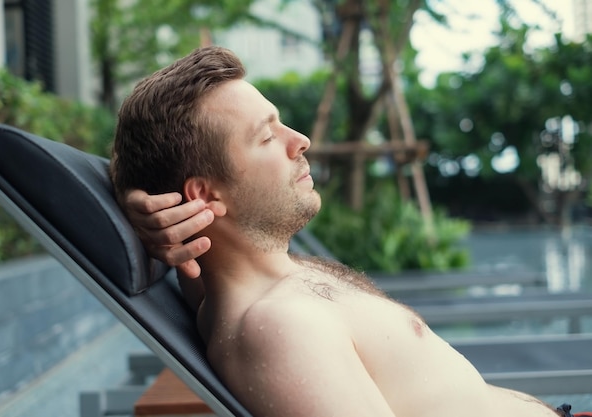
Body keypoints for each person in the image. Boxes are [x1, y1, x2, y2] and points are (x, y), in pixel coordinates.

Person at [111, 45, 575, 417]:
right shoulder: (275, 329)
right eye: (268, 137)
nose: (301, 141)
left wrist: (131, 191)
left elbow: (142, 166)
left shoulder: (236, 284)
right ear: (206, 197)